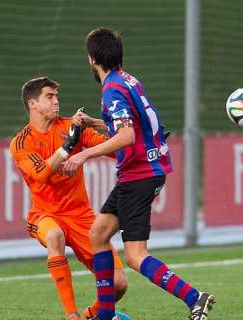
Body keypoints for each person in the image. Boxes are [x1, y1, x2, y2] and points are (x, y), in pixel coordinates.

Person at [63, 27, 214, 320]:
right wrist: (95, 122)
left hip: (140, 175)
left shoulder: (111, 89)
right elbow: (133, 126)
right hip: (143, 170)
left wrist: (83, 154)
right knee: (99, 233)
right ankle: (105, 315)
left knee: (134, 255)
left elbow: (127, 136)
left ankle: (195, 297)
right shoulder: (127, 80)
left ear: (93, 59)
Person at [9, 77, 128, 320]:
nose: (56, 101)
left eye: (56, 96)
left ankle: (89, 316)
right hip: (45, 215)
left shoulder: (71, 127)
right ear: (33, 104)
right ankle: (71, 315)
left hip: (82, 216)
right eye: (49, 97)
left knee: (118, 285)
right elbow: (41, 174)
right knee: (54, 235)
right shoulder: (21, 142)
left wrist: (141, 144)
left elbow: (113, 149)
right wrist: (67, 147)